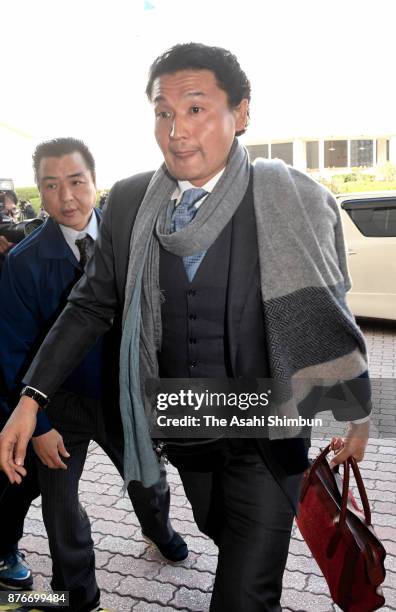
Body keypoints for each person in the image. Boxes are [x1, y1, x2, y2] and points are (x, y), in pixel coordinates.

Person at [0, 45, 370, 611]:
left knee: (245, 592)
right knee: (219, 528)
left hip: (268, 430)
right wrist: (32, 398)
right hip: (183, 424)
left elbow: (328, 308)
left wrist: (354, 411)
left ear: (241, 113)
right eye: (163, 112)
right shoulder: (127, 202)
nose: (176, 131)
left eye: (196, 109)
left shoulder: (286, 197)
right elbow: (90, 306)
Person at [0, 138, 187, 612]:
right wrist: (38, 425)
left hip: (125, 398)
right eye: (52, 185)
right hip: (58, 404)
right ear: (38, 192)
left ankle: (160, 533)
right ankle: (80, 599)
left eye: (76, 181)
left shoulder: (137, 242)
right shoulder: (23, 263)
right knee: (60, 513)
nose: (67, 197)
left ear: (95, 181)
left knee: (150, 485)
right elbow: (12, 351)